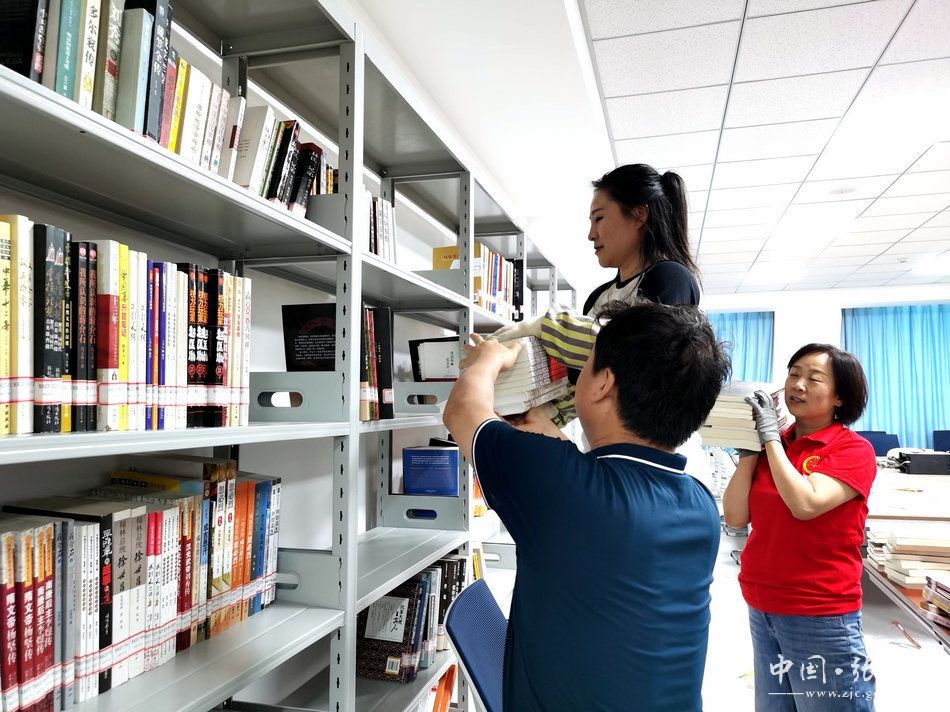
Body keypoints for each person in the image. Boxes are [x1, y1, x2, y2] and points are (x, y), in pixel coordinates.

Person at [443, 301, 731, 711]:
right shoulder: (701, 505)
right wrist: (548, 439)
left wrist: (488, 358)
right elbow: (598, 501)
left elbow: (461, 411)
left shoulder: (557, 483)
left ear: (603, 384)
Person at [722, 344, 877, 711]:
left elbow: (806, 504)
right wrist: (750, 453)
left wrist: (769, 439)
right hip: (763, 605)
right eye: (794, 374)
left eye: (814, 378)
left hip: (819, 610)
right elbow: (735, 517)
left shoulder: (851, 449)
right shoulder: (774, 447)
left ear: (840, 396)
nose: (798, 384)